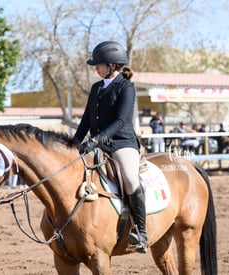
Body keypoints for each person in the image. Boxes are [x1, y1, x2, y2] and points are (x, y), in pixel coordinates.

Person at [73, 41, 147, 253]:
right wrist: (75, 142)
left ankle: (141, 233)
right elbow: (86, 118)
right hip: (98, 144)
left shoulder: (126, 86)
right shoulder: (96, 88)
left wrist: (96, 140)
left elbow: (122, 120)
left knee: (131, 180)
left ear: (113, 65)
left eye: (99, 65)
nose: (96, 68)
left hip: (122, 143)